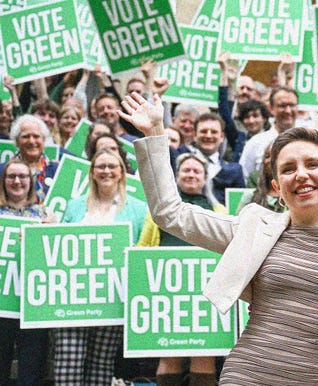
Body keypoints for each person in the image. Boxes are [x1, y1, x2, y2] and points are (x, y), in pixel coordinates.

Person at [120, 92, 318, 384]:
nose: (301, 175)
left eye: (312, 165)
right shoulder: (254, 225)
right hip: (248, 375)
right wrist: (154, 132)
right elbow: (169, 213)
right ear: (277, 185)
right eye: (288, 169)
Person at [54, 149, 146, 385]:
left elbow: (146, 247)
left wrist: (138, 250)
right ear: (92, 173)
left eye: (112, 166)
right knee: (68, 361)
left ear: (122, 173)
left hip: (113, 298)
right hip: (72, 298)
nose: (106, 171)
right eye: (101, 166)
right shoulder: (74, 206)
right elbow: (57, 244)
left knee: (101, 364)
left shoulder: (138, 208)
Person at [137, 153, 224, 386]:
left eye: (197, 171)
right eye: (186, 170)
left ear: (205, 178)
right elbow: (143, 248)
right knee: (169, 351)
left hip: (207, 292)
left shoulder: (220, 211)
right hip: (169, 290)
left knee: (205, 352)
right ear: (176, 176)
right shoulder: (158, 210)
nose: (191, 175)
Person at [0, 160, 52, 385]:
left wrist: (43, 235)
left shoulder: (46, 214)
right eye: (11, 176)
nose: (17, 181)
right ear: (3, 182)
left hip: (33, 302)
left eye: (22, 176)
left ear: (31, 182)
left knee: (31, 365)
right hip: (2, 301)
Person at [177, 113, 245, 203]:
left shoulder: (234, 171)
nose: (208, 136)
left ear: (221, 137)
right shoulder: (178, 159)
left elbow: (237, 205)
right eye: (204, 131)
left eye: (214, 132)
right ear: (194, 135)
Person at [2, 115, 59, 202]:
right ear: (16, 141)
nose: (31, 141)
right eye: (25, 136)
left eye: (36, 136)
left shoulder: (57, 170)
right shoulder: (2, 171)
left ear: (44, 140)